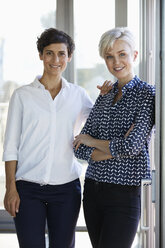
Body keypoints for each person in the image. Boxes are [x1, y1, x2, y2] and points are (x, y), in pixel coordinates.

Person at [2, 28, 112, 248]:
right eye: (49, 53)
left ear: (69, 57)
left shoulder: (78, 95)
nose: (56, 59)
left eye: (62, 54)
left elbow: (98, 124)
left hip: (66, 189)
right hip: (27, 188)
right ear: (41, 55)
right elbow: (11, 145)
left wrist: (106, 99)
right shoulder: (23, 96)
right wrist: (10, 188)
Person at [73, 27, 155, 248]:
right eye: (109, 56)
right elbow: (79, 149)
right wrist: (109, 147)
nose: (116, 62)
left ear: (134, 56)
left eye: (122, 54)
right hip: (92, 192)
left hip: (125, 194)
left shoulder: (147, 94)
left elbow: (132, 146)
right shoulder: (105, 95)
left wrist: (93, 142)